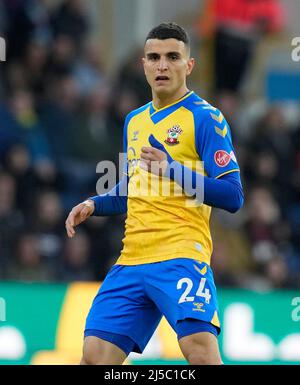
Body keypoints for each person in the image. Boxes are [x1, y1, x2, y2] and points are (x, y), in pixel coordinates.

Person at [65, 22, 244, 365]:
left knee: (200, 353)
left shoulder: (206, 118)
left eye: (172, 57)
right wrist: (94, 203)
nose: (162, 65)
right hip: (132, 258)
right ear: (144, 65)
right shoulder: (134, 121)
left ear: (188, 65)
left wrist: (172, 169)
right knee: (95, 356)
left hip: (180, 255)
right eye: (154, 57)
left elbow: (233, 196)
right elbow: (136, 187)